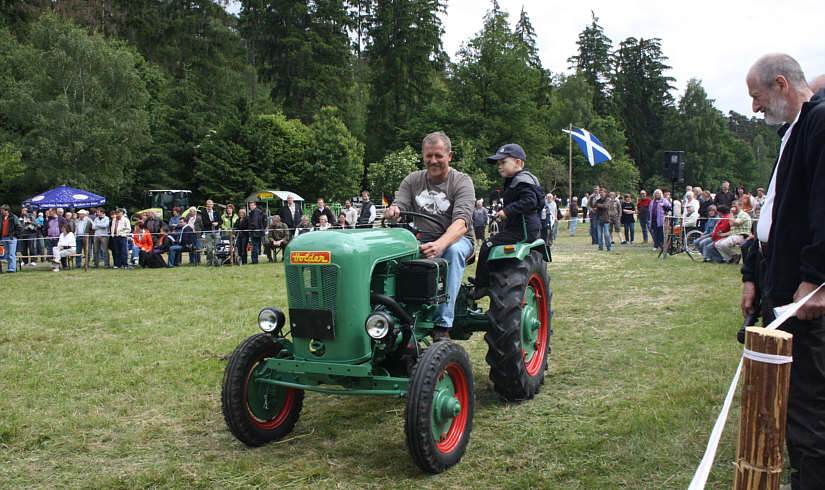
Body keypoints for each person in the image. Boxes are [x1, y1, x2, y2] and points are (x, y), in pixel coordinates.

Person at [741, 54, 825, 489]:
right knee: (790, 402)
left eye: (757, 96)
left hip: (803, 295)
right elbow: (775, 215)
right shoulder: (793, 132)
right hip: (782, 286)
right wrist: (752, 276)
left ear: (780, 84)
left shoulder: (819, 123)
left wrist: (815, 279)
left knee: (809, 405)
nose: (755, 106)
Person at [384, 131, 475, 341]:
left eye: (438, 155)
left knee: (452, 251)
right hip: (421, 239)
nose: (433, 160)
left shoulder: (462, 182)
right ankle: (394, 315)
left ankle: (442, 325)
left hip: (457, 240)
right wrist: (394, 211)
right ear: (423, 156)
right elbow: (400, 204)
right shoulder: (412, 180)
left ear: (449, 156)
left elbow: (461, 224)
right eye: (428, 156)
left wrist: (440, 245)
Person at [471, 143, 543, 300]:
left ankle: (482, 285)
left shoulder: (522, 180)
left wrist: (506, 211)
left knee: (487, 245)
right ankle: (491, 279)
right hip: (519, 228)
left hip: (523, 230)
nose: (499, 166)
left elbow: (530, 201)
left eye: (503, 162)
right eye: (498, 163)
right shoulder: (518, 180)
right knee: (491, 245)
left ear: (518, 162)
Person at [0, 204, 21, 273]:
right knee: (7, 254)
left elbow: (19, 227)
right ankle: (9, 268)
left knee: (12, 254)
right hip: (4, 237)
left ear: (6, 210)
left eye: (2, 210)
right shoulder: (1, 218)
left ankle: (12, 269)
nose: (1, 212)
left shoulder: (13, 217)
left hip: (11, 237)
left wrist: (14, 234)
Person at [201, 199, 222, 266]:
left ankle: (217, 262)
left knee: (217, 247)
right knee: (209, 248)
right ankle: (209, 262)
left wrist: (217, 223)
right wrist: (212, 223)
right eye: (208, 204)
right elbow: (204, 222)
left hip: (216, 232)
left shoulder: (217, 212)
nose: (209, 205)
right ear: (206, 205)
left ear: (212, 205)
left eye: (210, 204)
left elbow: (221, 221)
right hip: (208, 232)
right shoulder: (203, 213)